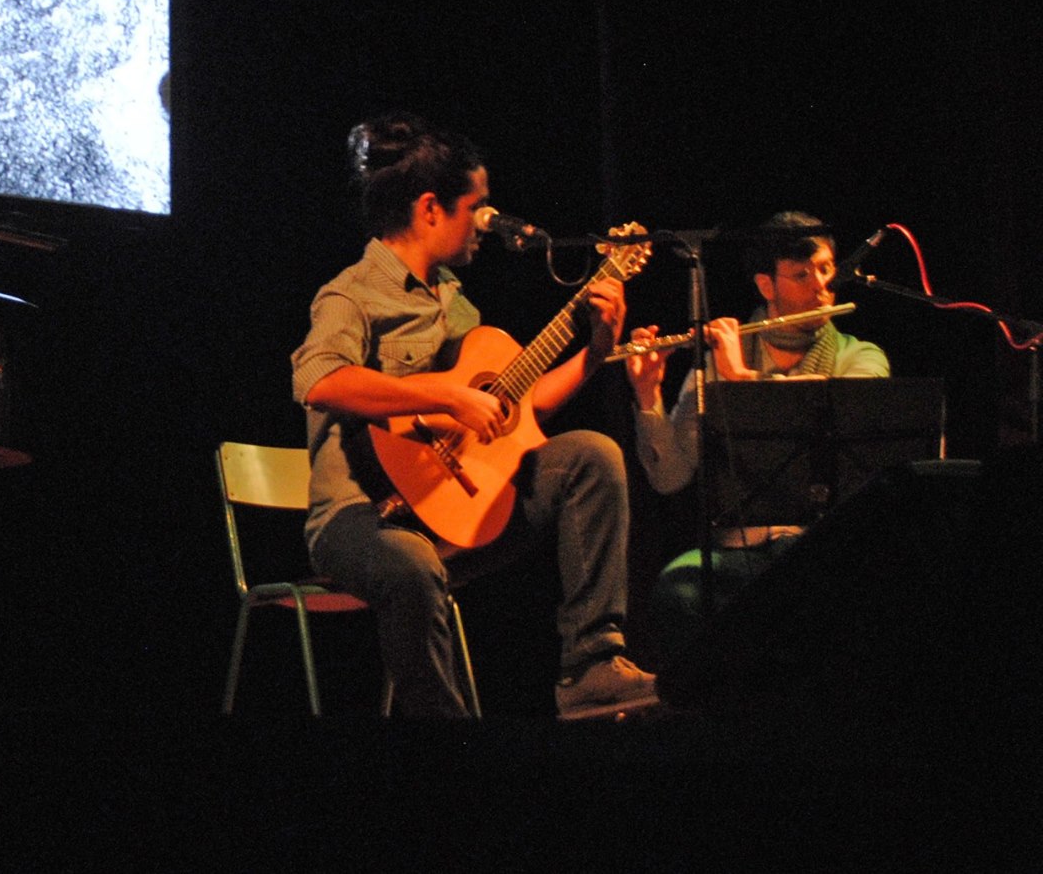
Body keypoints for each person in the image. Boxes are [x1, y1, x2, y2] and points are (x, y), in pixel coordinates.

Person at [291, 112, 658, 720]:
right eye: (477, 208)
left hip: (451, 510)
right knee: (413, 566)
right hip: (359, 520)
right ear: (431, 209)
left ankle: (591, 665)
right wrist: (446, 395)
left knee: (590, 456)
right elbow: (320, 381)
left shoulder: (455, 302)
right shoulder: (351, 294)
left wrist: (597, 351)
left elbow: (521, 409)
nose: (486, 222)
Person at [624, 210, 890, 652]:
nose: (822, 287)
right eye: (801, 275)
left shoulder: (860, 357)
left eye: (826, 269)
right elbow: (670, 477)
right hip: (738, 553)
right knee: (678, 592)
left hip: (824, 545)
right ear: (767, 286)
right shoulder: (718, 362)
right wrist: (648, 394)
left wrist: (742, 383)